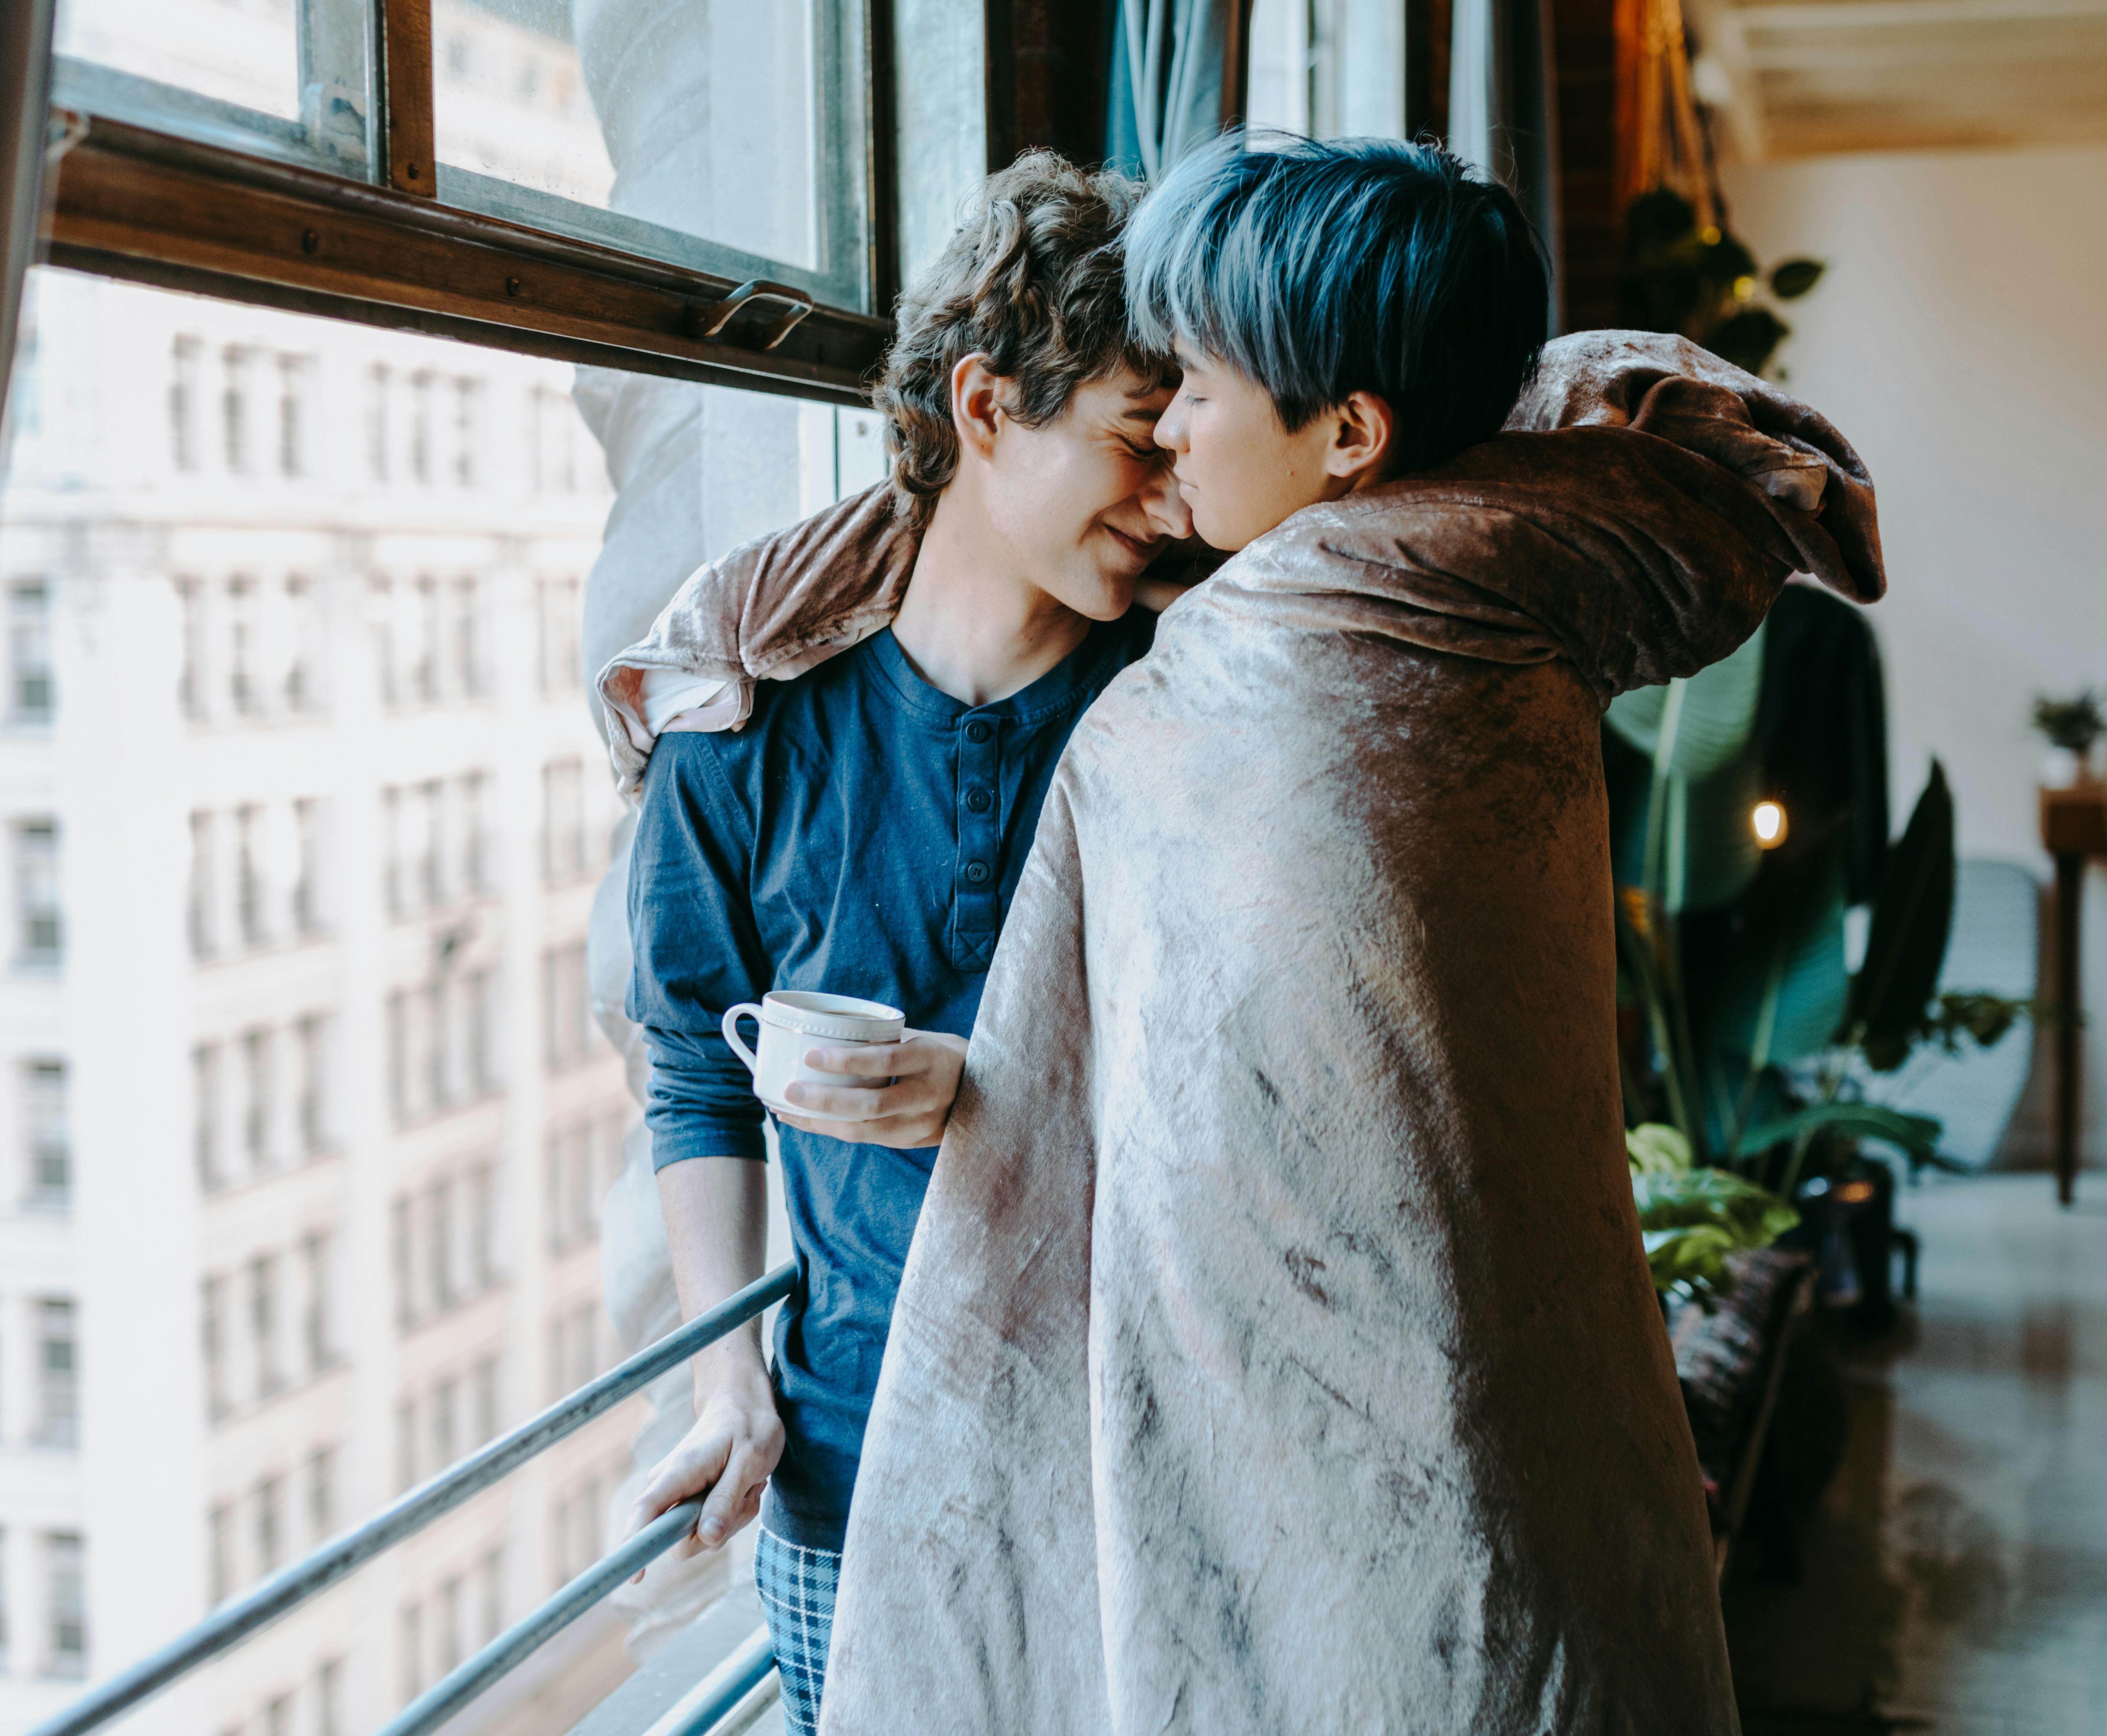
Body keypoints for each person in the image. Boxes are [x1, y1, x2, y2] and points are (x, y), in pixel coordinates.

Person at [808, 138, 1886, 1734]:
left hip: (1337, 1518)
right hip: (1562, 1443)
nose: (1168, 431)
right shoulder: (1513, 590)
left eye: (1196, 390)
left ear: (1353, 435)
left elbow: (1201, 1152)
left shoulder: (1256, 684)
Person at [606, 151, 1183, 1736]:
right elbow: (692, 1064)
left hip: (1141, 1464)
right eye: (1139, 447)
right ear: (985, 408)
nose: (1171, 501)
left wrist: (995, 1092)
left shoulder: (1193, 698)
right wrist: (733, 1388)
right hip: (846, 1473)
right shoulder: (742, 706)